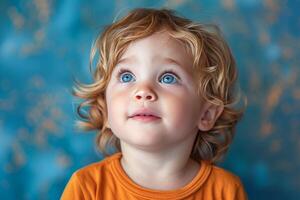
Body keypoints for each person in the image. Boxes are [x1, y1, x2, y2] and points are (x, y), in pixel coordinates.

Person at [61, 7, 247, 200]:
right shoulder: (87, 187)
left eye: (168, 78)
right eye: (126, 76)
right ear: (105, 110)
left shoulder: (226, 191)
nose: (143, 91)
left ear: (206, 114)